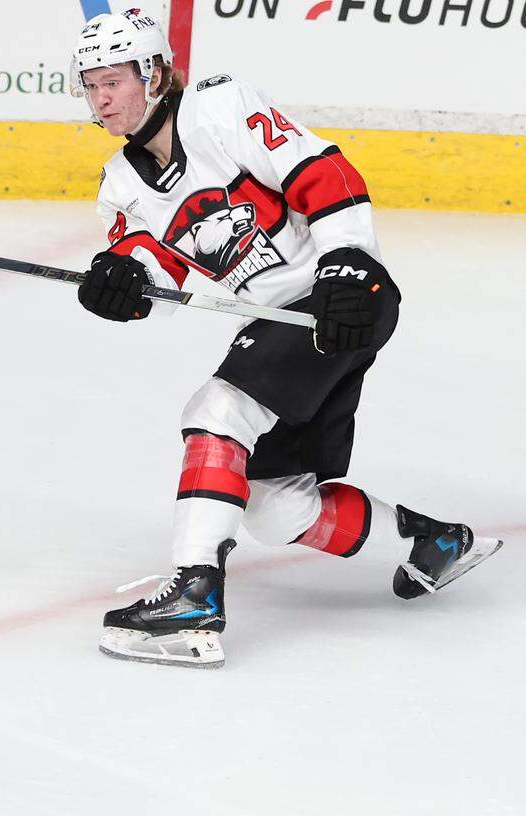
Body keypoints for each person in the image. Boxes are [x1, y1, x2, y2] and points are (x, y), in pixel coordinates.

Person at [68, 10, 501, 667]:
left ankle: (193, 595)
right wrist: (123, 285)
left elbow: (323, 172)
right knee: (274, 505)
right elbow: (159, 277)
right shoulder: (123, 188)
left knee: (216, 412)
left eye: (112, 82)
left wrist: (349, 265)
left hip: (344, 299)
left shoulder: (219, 108)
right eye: (90, 85)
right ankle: (430, 546)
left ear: (153, 74)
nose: (99, 99)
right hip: (284, 327)